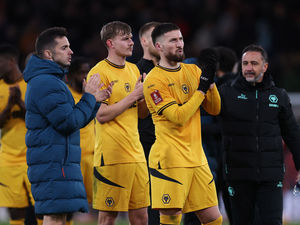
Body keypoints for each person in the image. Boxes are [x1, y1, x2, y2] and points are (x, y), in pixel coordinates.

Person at [23, 27, 112, 225]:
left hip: (57, 161)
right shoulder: (47, 83)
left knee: (59, 217)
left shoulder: (52, 80)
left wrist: (94, 100)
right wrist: (88, 96)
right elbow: (68, 122)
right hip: (53, 163)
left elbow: (75, 121)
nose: (71, 51)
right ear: (48, 53)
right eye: (64, 48)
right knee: (55, 217)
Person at [143, 23, 223, 225]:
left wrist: (210, 81)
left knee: (213, 219)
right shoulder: (154, 80)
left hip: (197, 158)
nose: (179, 44)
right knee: (171, 218)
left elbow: (215, 109)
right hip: (170, 160)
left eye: (180, 39)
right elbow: (177, 116)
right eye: (173, 40)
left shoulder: (193, 71)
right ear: (159, 46)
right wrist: (201, 89)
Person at [218, 44, 300, 225]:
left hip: (270, 177)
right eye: (245, 63)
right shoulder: (226, 93)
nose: (248, 68)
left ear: (265, 66)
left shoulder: (279, 96)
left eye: (254, 63)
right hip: (238, 176)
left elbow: (293, 133)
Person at [87, 21, 149, 225]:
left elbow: (140, 114)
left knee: (141, 217)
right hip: (112, 156)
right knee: (108, 218)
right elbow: (102, 115)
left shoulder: (133, 69)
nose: (132, 42)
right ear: (110, 43)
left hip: (136, 154)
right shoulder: (99, 73)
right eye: (126, 38)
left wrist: (145, 97)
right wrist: (133, 96)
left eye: (131, 38)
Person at [183, 46, 238, 225]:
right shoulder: (235, 88)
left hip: (202, 155)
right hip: (223, 157)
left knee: (195, 211)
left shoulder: (195, 82)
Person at [0, 44, 39, 225]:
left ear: (11, 61)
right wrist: (9, 105)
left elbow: (41, 116)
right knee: (15, 211)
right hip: (8, 158)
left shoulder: (31, 84)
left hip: (34, 157)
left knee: (41, 209)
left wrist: (21, 104)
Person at [136, 21, 160, 225]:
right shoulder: (134, 72)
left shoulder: (169, 70)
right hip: (145, 143)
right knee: (150, 201)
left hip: (169, 142)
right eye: (155, 36)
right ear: (144, 41)